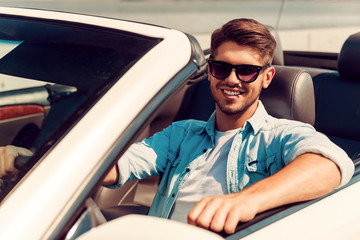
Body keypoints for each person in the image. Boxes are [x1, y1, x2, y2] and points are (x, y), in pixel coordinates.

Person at [0, 18, 355, 235]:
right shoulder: (182, 133)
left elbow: (330, 164)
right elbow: (113, 166)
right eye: (221, 68)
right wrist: (28, 161)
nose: (232, 79)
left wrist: (246, 201)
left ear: (267, 78)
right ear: (211, 71)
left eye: (246, 71)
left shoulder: (278, 135)